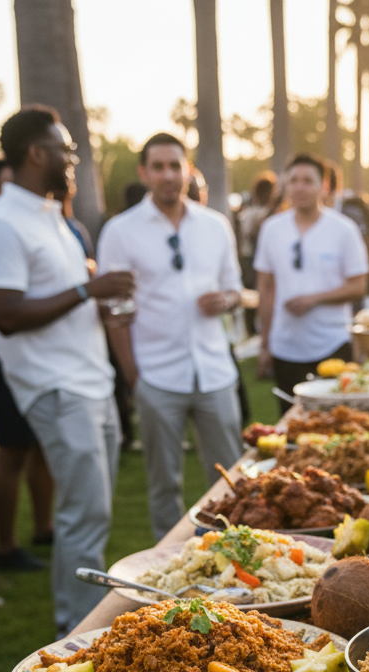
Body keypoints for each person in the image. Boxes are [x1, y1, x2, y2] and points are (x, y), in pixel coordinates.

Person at [0, 105, 134, 635]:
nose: (74, 159)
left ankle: (82, 623)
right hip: (56, 387)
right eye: (65, 150)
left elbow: (60, 299)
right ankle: (74, 636)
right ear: (35, 153)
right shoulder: (0, 223)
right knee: (83, 518)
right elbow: (7, 312)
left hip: (91, 381)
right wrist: (89, 289)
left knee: (94, 515)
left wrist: (97, 301)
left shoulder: (54, 218)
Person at [97, 131, 243, 541]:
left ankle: (242, 554)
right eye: (158, 167)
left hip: (215, 371)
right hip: (157, 375)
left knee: (232, 482)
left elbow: (235, 288)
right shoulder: (120, 231)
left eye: (175, 166)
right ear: (144, 173)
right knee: (165, 485)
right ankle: (171, 567)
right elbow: (115, 313)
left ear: (188, 170)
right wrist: (134, 377)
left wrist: (226, 300)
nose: (168, 175)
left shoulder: (215, 226)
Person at [0, 158, 54, 572]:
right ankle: (5, 547)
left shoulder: (41, 221)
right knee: (12, 450)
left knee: (41, 447)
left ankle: (44, 527)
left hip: (41, 360)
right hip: (0, 357)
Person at [254, 154, 369, 413]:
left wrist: (313, 299)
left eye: (308, 181)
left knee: (337, 423)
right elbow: (265, 288)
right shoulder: (272, 229)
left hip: (332, 345)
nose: (300, 187)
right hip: (286, 348)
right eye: (293, 181)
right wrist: (265, 345)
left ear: (324, 186)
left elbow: (359, 286)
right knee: (292, 427)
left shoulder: (343, 229)